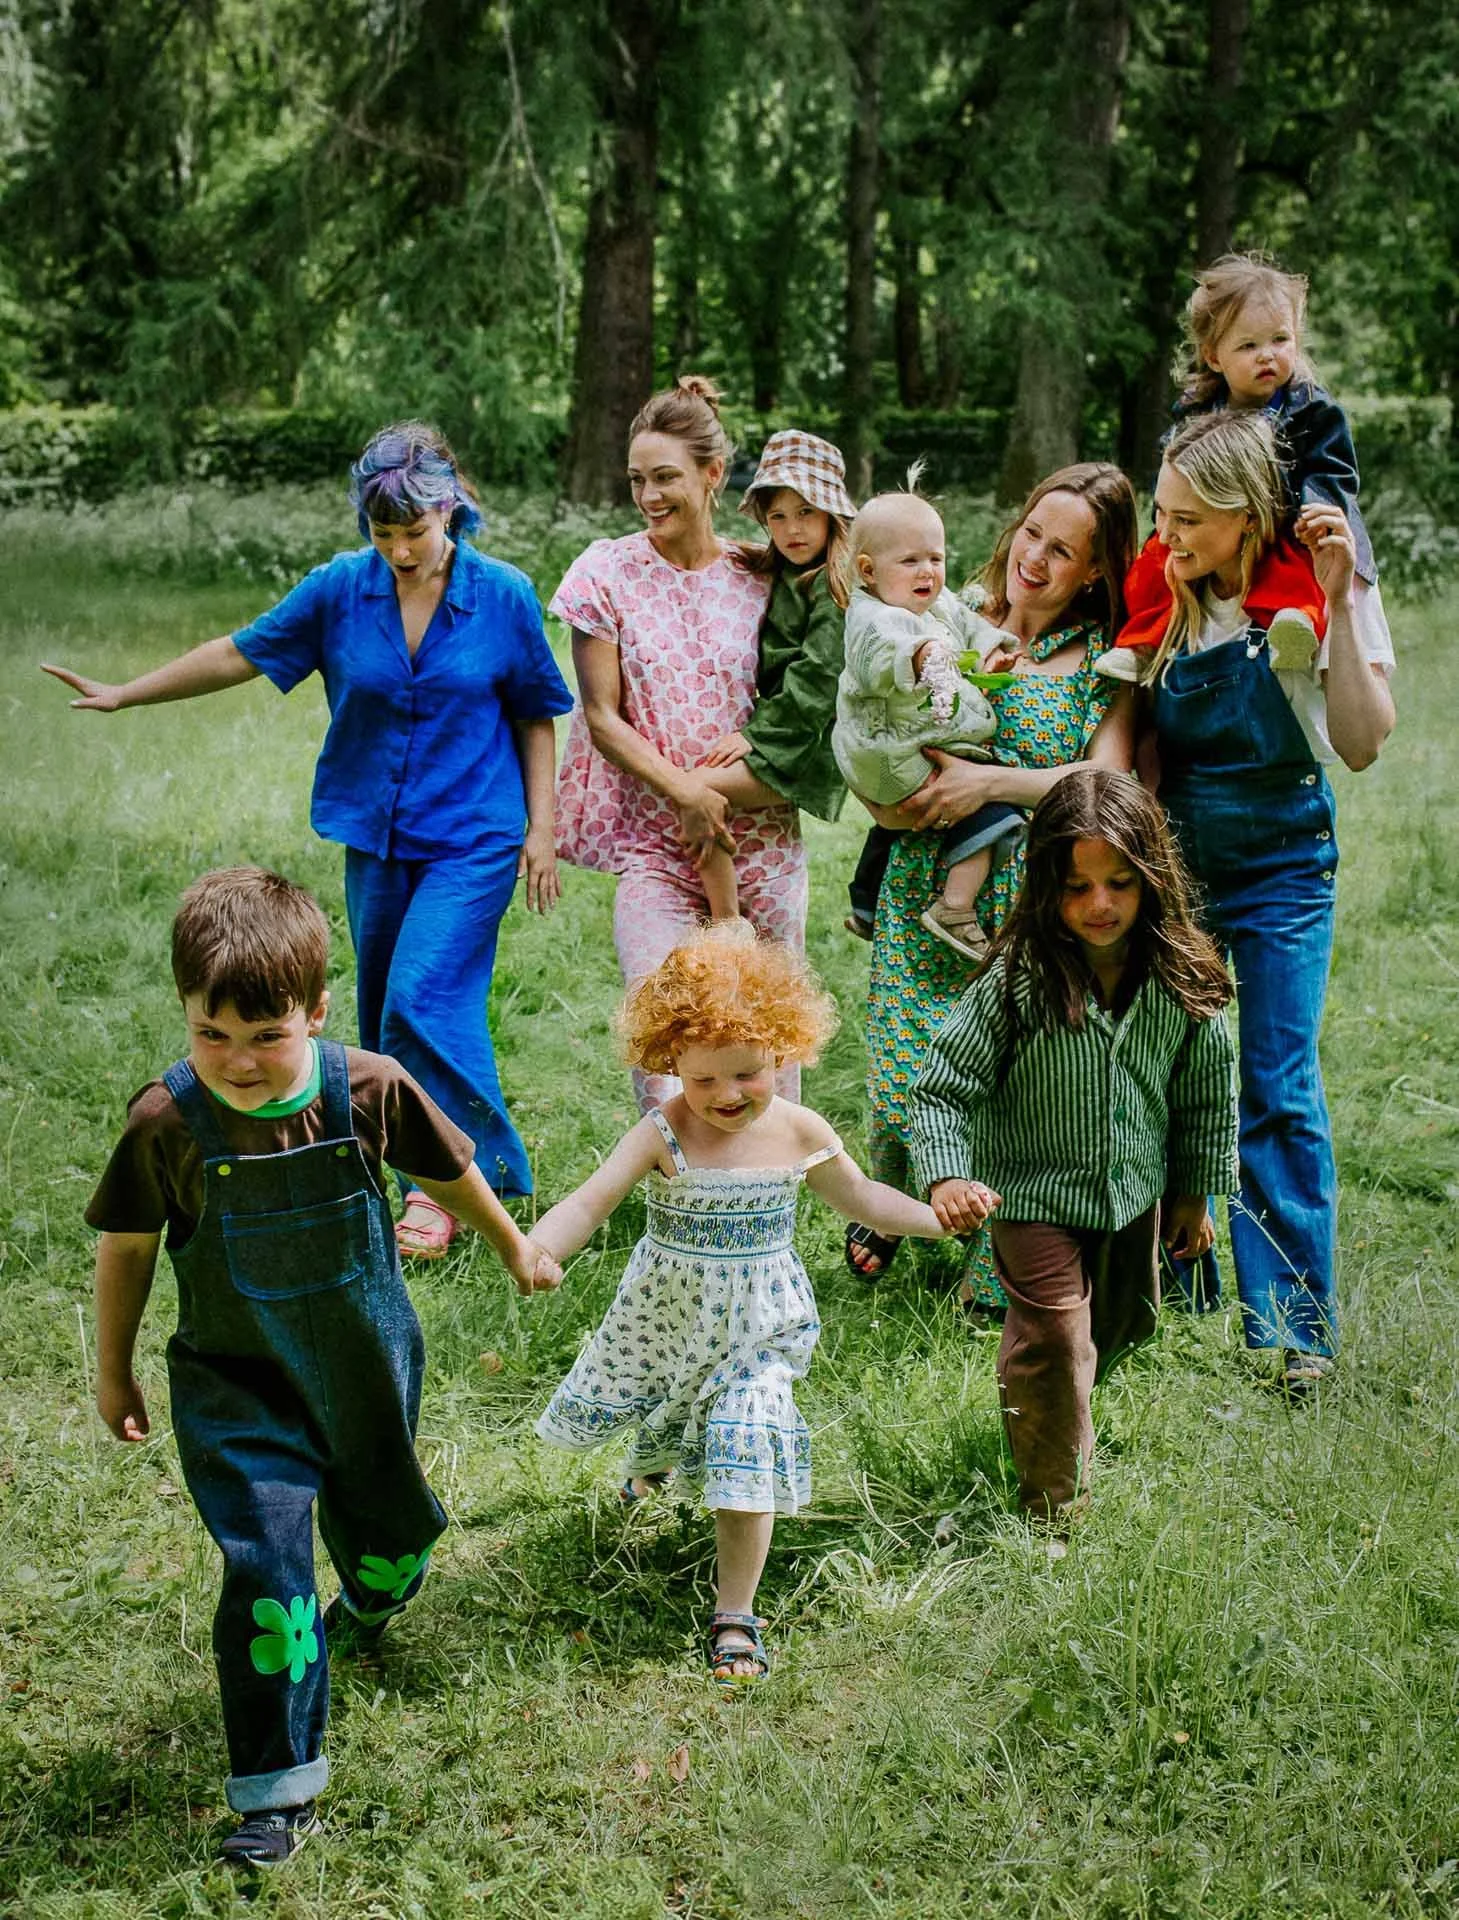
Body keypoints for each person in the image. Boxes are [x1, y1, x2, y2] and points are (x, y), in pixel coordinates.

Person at [85, 869, 561, 1866]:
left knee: (386, 1537)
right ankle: (275, 1791)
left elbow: (449, 1175)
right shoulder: (164, 1126)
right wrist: (113, 1370)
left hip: (362, 1371)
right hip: (235, 1388)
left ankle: (381, 1586)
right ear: (184, 1010)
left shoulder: (371, 1089)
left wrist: (516, 1247)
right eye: (212, 1035)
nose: (240, 1063)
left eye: (267, 1037)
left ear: (317, 1009)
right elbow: (126, 1251)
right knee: (267, 1571)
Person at [43, 422, 573, 1262]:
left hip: (474, 832)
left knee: (421, 998)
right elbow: (237, 653)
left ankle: (473, 1182)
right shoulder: (340, 590)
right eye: (383, 532)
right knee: (384, 1008)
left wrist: (543, 830)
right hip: (376, 831)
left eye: (416, 531)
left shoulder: (500, 594)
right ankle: (418, 1167)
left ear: (451, 512)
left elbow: (536, 711)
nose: (400, 550)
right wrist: (124, 694)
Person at [529, 923, 989, 1691]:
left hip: (760, 1328)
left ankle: (733, 1613)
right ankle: (652, 1465)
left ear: (782, 1048)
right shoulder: (661, 1132)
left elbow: (862, 1197)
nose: (725, 1096)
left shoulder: (798, 1130)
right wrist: (540, 1248)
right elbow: (589, 1201)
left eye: (745, 1073)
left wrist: (932, 1216)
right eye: (701, 1079)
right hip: (669, 1313)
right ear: (668, 1062)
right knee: (673, 1408)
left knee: (744, 1437)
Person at [1141, 407, 1395, 1389]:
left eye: (1188, 522)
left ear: (1246, 516)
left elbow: (1363, 745)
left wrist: (1333, 604)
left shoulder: (1302, 594)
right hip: (1182, 864)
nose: (1169, 538)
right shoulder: (1161, 598)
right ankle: (1160, 1281)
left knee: (1276, 1084)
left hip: (1287, 866)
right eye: (1161, 515)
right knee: (1160, 1071)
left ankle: (1296, 1329)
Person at [910, 772, 1238, 1522]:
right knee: (1055, 1339)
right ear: (1045, 887)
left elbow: (1205, 1094)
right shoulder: (1017, 978)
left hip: (1132, 1193)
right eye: (1076, 886)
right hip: (1028, 1194)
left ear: (1152, 879)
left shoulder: (1184, 977)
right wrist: (946, 1176)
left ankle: (1060, 1410)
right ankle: (1053, 1508)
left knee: (1121, 1326)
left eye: (1119, 883)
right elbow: (940, 1084)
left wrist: (1193, 1195)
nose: (1098, 904)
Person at [845, 465, 1139, 1297]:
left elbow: (1109, 779)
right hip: (922, 880)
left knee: (1007, 1086)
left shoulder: (1100, 660)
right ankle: (893, 1198)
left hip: (1030, 898)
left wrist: (988, 785)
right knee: (907, 1067)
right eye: (1032, 535)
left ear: (1093, 570)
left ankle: (991, 1272)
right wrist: (885, 794)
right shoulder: (940, 615)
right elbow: (869, 712)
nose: (1036, 560)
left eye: (1065, 551)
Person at [552, 377, 807, 1110]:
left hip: (761, 843)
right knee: (663, 1027)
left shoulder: (766, 576)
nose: (648, 495)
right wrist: (686, 791)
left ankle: (766, 1196)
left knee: (767, 1036)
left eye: (665, 476)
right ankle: (679, 1195)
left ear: (711, 474)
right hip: (656, 845)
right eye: (637, 479)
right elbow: (601, 717)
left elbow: (807, 702)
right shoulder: (607, 571)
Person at [1096, 251, 1386, 684]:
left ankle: (1295, 626)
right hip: (1211, 521)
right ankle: (1141, 643)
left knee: (1294, 565)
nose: (1267, 356)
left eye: (1280, 340)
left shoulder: (1313, 411)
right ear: (1214, 357)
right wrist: (1172, 518)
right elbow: (1178, 463)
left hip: (1289, 522)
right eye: (1249, 345)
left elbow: (1333, 472)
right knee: (1155, 564)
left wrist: (1305, 515)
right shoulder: (1199, 409)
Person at [832, 487, 1023, 964]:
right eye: (910, 560)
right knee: (993, 810)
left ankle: (865, 900)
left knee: (903, 825)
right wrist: (922, 656)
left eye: (935, 558)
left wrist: (993, 647)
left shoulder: (935, 603)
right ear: (869, 571)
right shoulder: (873, 617)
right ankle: (955, 908)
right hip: (888, 750)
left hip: (903, 745)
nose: (927, 572)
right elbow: (884, 652)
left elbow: (966, 622)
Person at [692, 428, 857, 922]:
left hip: (805, 741)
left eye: (806, 512)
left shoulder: (835, 585)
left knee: (701, 788)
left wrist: (754, 735)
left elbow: (818, 678)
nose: (793, 530)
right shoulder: (784, 566)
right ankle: (724, 907)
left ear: (832, 513)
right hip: (788, 731)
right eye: (778, 516)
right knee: (699, 786)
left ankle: (726, 922)